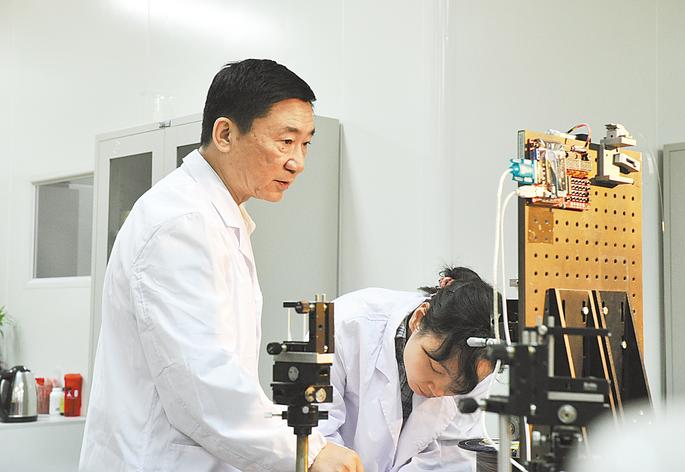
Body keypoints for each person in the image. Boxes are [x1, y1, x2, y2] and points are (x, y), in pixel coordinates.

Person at [80, 59, 362, 472]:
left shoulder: (216, 218)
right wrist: (307, 452)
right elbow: (201, 382)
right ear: (225, 134)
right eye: (285, 141)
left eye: (305, 144)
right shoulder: (180, 221)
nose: (298, 161)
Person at [316, 266, 497, 471]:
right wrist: (323, 454)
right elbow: (316, 436)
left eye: (456, 387)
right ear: (418, 319)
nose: (438, 391)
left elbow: (451, 456)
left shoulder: (481, 361)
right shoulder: (345, 323)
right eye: (436, 368)